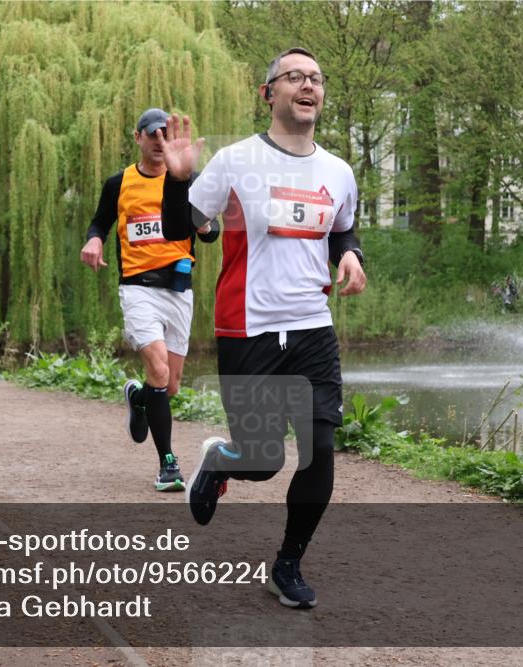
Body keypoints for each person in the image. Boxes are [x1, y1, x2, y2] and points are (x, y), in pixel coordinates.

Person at [159, 47, 367, 609]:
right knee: (264, 459)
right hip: (247, 328)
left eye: (317, 78)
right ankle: (223, 461)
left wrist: (351, 257)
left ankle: (287, 564)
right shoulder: (235, 160)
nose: (308, 84)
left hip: (312, 328)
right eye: (294, 76)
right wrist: (180, 181)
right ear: (268, 93)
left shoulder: (339, 172)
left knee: (319, 450)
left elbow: (343, 231)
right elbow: (192, 228)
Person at [80, 108, 219, 492]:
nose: (160, 142)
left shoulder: (188, 180)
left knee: (169, 386)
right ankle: (168, 464)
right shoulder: (118, 182)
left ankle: (139, 399)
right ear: (137, 137)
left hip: (179, 289)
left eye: (165, 135)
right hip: (138, 287)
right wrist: (94, 239)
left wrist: (203, 221)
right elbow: (100, 222)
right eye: (152, 135)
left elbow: (211, 234)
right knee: (158, 370)